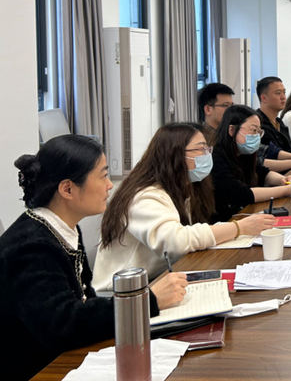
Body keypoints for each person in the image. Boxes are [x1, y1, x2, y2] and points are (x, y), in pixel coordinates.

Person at [0, 135, 187, 379]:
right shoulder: (31, 246)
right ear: (67, 189)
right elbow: (61, 325)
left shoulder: (62, 227)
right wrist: (146, 301)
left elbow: (85, 299)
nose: (110, 185)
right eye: (103, 176)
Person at [94, 123, 277, 291]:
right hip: (123, 294)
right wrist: (238, 228)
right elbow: (176, 242)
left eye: (207, 148)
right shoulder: (144, 196)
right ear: (174, 154)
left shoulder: (182, 188)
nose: (207, 155)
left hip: (161, 279)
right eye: (200, 149)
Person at [199, 82, 291, 173]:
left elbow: (265, 150)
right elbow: (258, 162)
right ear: (208, 109)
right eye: (225, 106)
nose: (231, 110)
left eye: (231, 105)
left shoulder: (231, 132)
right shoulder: (204, 141)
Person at [212, 105, 291, 222]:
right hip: (225, 221)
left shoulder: (244, 153)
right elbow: (243, 194)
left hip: (244, 214)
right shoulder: (216, 158)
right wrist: (285, 190)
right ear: (232, 130)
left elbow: (261, 172)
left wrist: (283, 180)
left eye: (259, 132)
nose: (256, 136)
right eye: (253, 130)